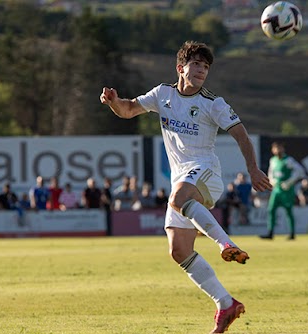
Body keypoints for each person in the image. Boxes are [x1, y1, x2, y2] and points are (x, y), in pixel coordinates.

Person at [100, 40, 272, 333]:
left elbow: (241, 134)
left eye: (206, 67)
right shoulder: (163, 94)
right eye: (196, 65)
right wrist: (114, 102)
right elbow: (128, 110)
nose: (202, 70)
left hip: (206, 173)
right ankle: (225, 303)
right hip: (183, 178)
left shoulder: (213, 103)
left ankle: (224, 243)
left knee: (179, 197)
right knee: (178, 250)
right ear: (181, 68)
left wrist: (252, 168)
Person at [260, 141, 305, 241]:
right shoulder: (273, 160)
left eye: (279, 148)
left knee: (289, 211)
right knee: (271, 210)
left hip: (286, 190)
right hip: (276, 190)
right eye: (276, 148)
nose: (278, 150)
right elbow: (270, 173)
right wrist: (272, 181)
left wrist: (290, 182)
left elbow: (300, 171)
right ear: (273, 150)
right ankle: (270, 233)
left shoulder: (288, 160)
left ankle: (292, 234)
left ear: (283, 149)